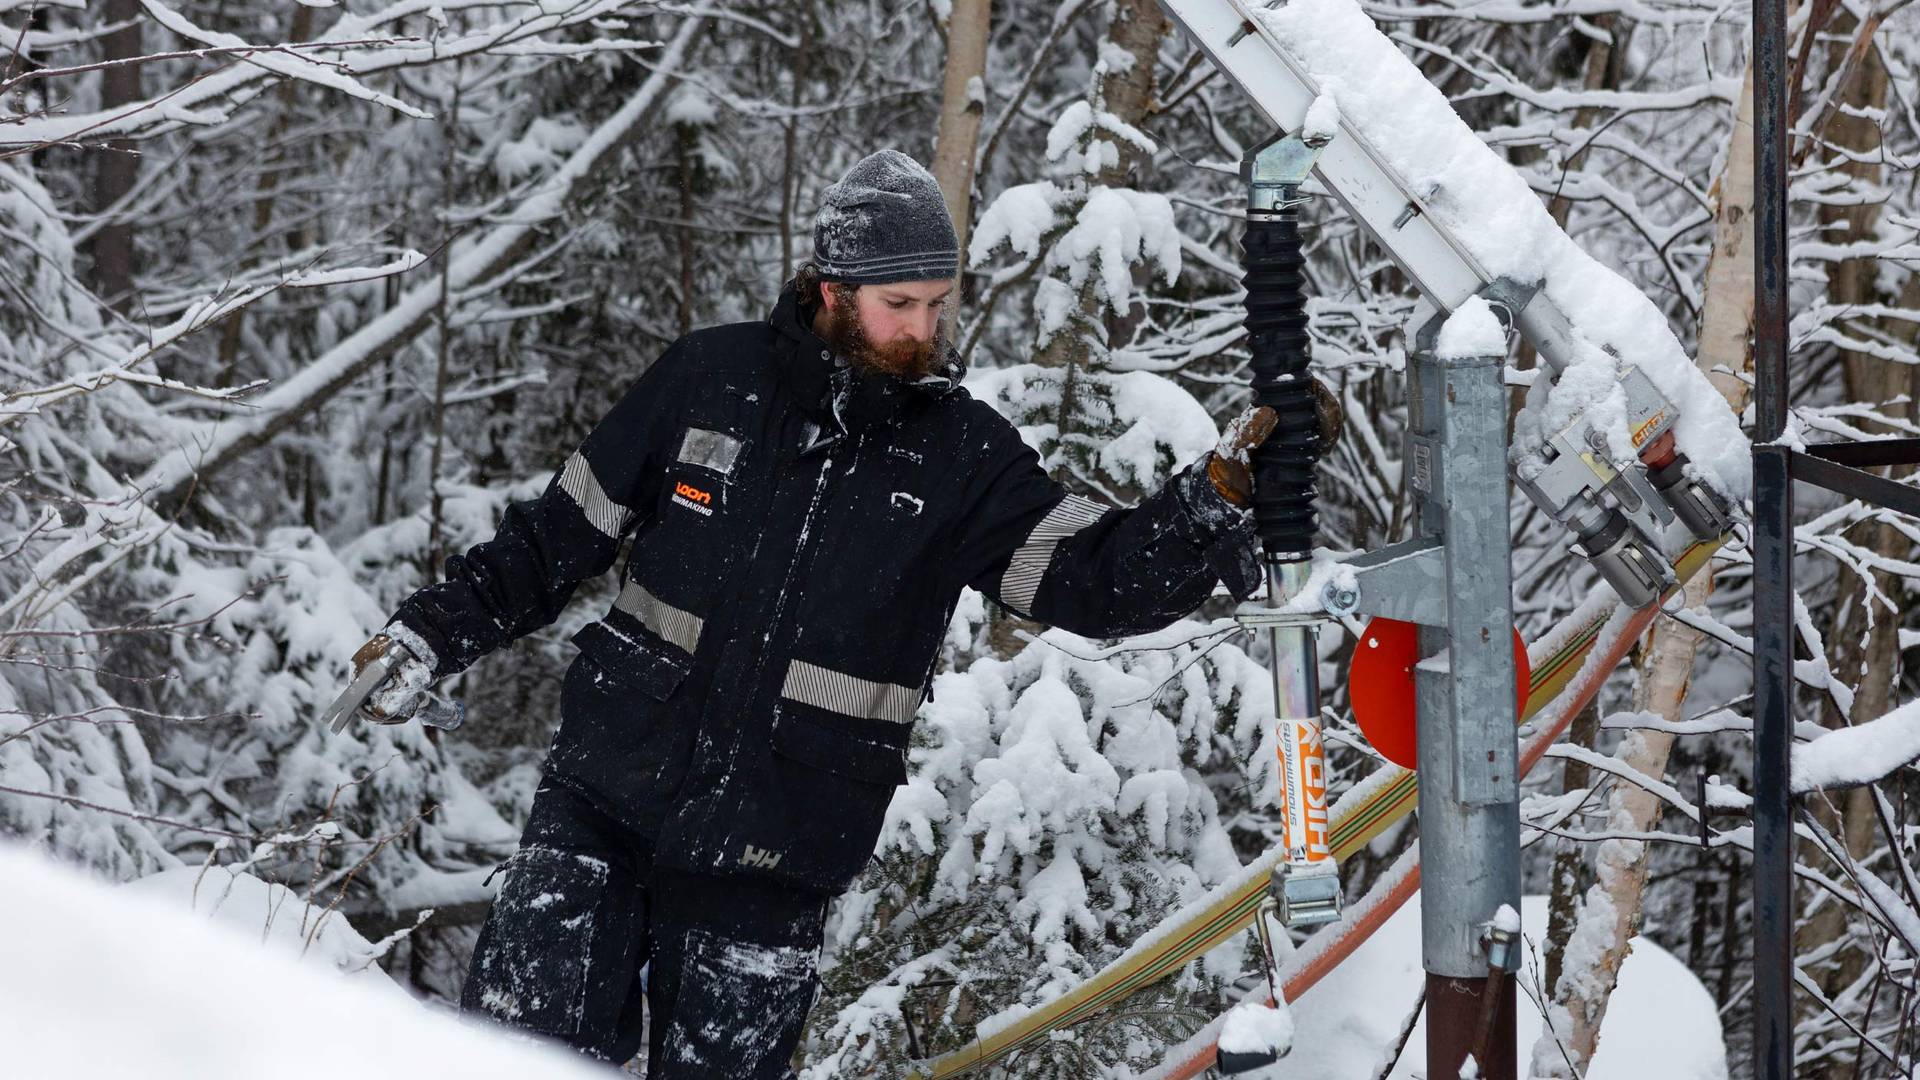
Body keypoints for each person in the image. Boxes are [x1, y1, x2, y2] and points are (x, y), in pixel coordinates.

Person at [347, 149, 1282, 1077]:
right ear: (832, 291)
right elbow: (553, 539)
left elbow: (1095, 579)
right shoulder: (707, 378)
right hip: (602, 803)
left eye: (937, 304)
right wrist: (430, 632)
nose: (923, 329)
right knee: (509, 1060)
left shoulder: (961, 458)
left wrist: (1207, 506)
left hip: (777, 854)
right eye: (899, 304)